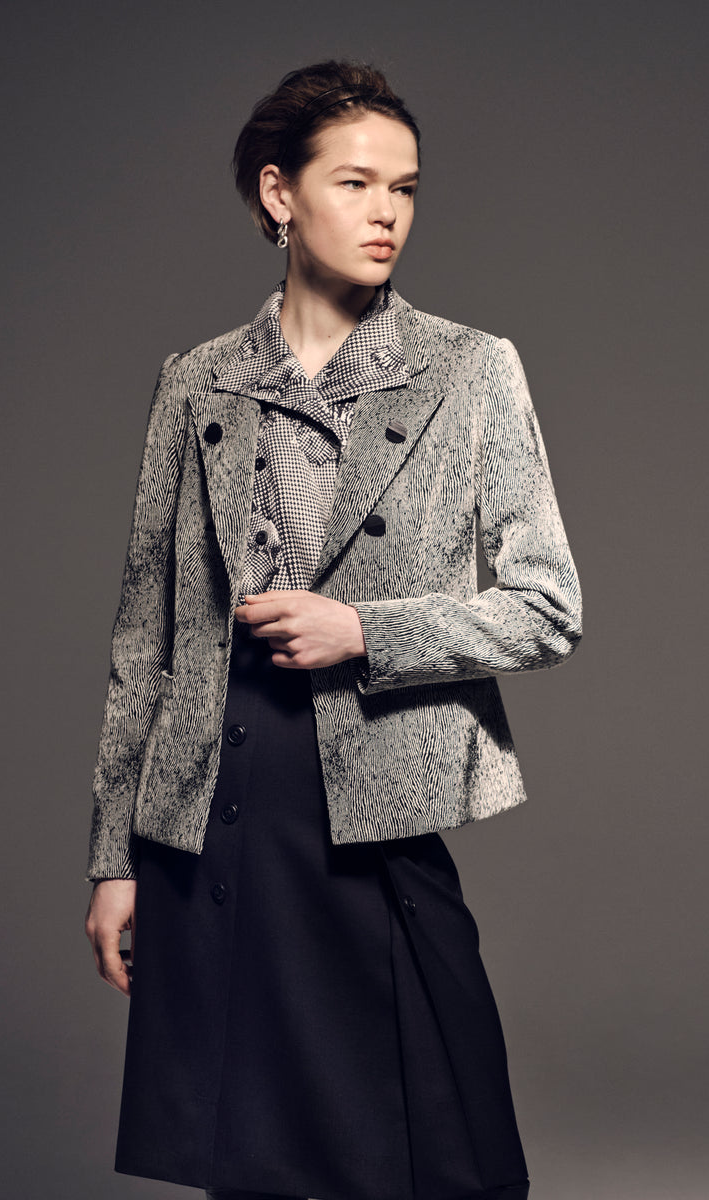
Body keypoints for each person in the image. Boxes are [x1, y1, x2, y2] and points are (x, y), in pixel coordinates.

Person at [84, 60, 581, 1200]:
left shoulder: (468, 369)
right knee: (255, 1158)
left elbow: (548, 606)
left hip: (371, 810)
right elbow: (145, 641)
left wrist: (365, 630)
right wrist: (114, 859)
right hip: (214, 810)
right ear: (280, 194)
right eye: (355, 183)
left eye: (404, 189)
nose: (386, 212)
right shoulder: (196, 383)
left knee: (435, 1151)